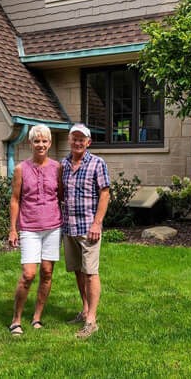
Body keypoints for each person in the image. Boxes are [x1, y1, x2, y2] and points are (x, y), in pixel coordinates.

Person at [8, 124, 62, 336]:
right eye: (36, 141)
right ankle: (16, 319)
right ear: (30, 143)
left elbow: (61, 196)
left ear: (50, 143)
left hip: (53, 226)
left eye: (44, 141)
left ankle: (37, 317)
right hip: (29, 227)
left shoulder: (57, 167)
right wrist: (13, 229)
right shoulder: (21, 169)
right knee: (28, 274)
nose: (41, 145)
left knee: (47, 273)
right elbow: (15, 199)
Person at [61, 123, 110, 339]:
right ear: (70, 141)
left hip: (89, 227)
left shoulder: (97, 163)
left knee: (90, 273)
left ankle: (92, 320)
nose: (78, 142)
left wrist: (97, 223)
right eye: (75, 138)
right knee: (78, 271)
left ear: (88, 142)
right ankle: (84, 310)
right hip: (69, 226)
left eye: (82, 139)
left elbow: (105, 194)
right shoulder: (63, 164)